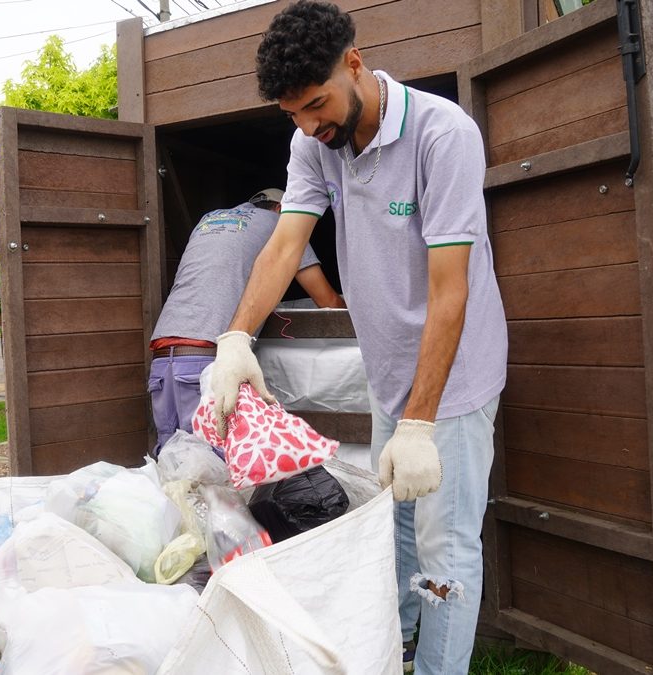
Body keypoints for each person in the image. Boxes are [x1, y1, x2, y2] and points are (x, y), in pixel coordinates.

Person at [208, 2, 507, 673]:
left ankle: (437, 666)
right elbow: (287, 244)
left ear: (354, 63)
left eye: (317, 105)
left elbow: (450, 289)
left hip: (451, 383)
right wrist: (235, 338)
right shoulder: (313, 142)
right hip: (389, 371)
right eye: (294, 115)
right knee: (394, 525)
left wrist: (422, 423)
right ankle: (392, 648)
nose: (311, 125)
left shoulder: (442, 135)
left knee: (444, 550)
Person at [148, 189, 342, 456]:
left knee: (171, 463)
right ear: (281, 208)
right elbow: (327, 300)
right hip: (209, 362)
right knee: (215, 470)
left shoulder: (210, 220)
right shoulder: (282, 225)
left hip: (162, 359)